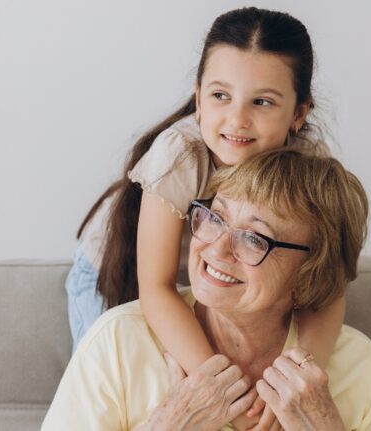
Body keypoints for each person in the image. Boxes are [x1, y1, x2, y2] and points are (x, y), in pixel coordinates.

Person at [67, 6, 341, 424]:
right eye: (220, 96)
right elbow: (156, 287)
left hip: (221, 282)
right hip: (118, 269)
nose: (237, 119)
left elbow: (330, 287)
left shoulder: (309, 170)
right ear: (198, 98)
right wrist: (231, 392)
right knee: (116, 382)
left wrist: (294, 372)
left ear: (299, 113)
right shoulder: (181, 154)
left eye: (262, 101)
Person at [45, 149, 371, 430]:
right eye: (215, 218)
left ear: (309, 273)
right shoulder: (118, 343)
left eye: (253, 237)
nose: (215, 249)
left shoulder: (361, 369)